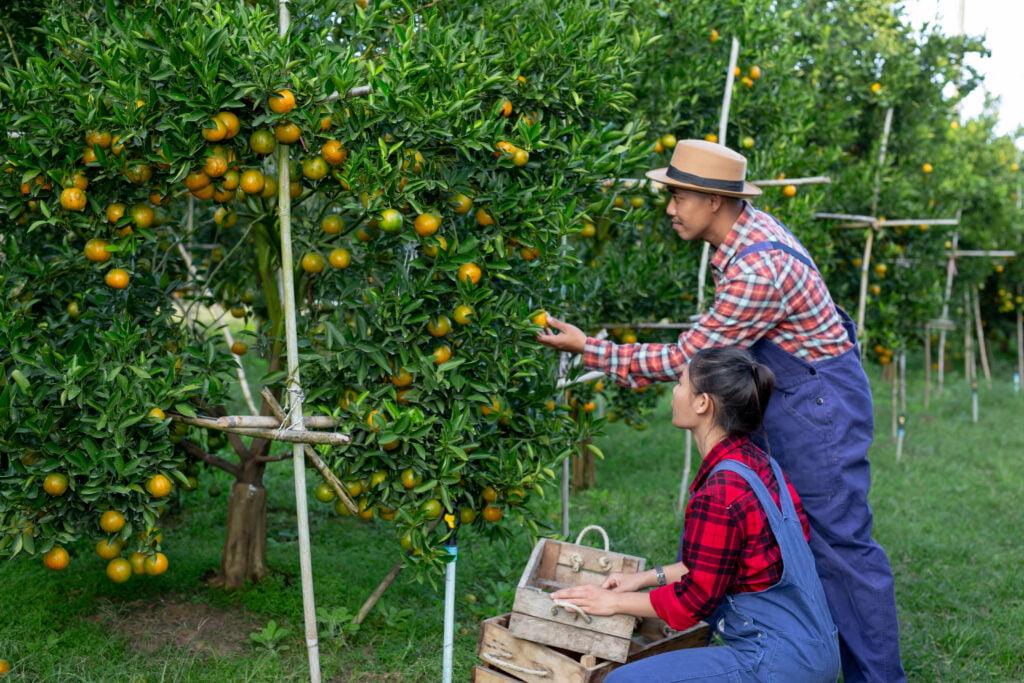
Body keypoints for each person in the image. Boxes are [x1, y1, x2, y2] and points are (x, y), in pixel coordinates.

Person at [538, 139, 904, 682]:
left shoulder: (757, 270)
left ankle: (875, 677)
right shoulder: (744, 238)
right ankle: (799, 650)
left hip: (817, 406)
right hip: (797, 394)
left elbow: (690, 359)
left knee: (840, 545)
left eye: (679, 196)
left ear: (714, 201)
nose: (669, 207)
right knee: (779, 535)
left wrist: (590, 349)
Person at [552, 347, 839, 681]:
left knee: (621, 680)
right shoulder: (762, 465)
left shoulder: (720, 492)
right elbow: (722, 564)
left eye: (680, 384)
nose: (674, 393)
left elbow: (693, 604)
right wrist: (644, 578)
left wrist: (611, 602)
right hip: (816, 651)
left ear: (702, 403)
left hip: (773, 663)